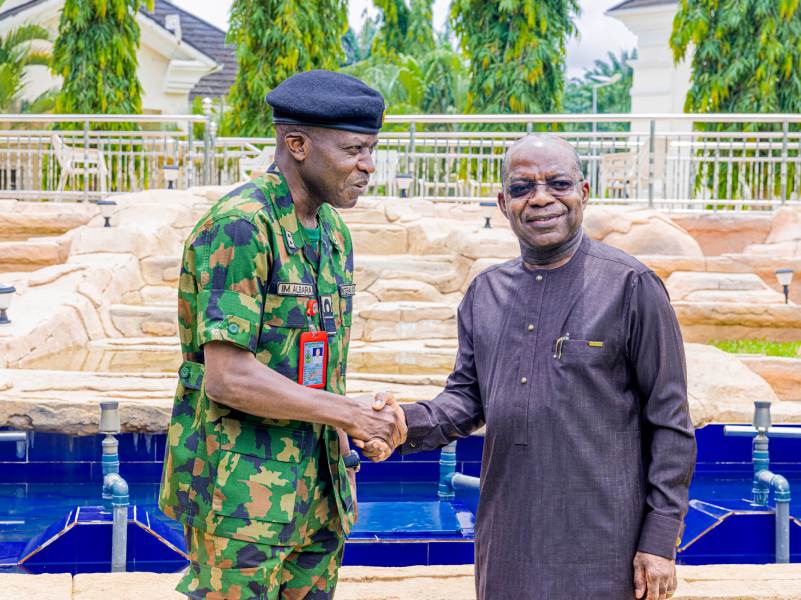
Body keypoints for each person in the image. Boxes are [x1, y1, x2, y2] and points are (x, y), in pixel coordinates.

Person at [367, 134, 696, 599]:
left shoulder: (630, 286)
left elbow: (671, 423)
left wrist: (660, 540)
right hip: (508, 545)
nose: (541, 198)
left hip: (606, 548)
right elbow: (466, 400)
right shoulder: (486, 293)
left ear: (583, 192)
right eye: (523, 188)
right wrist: (399, 423)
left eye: (557, 183)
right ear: (503, 203)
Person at [159, 70, 406, 600]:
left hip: (319, 491)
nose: (368, 166)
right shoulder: (243, 226)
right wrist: (350, 413)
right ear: (296, 144)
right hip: (240, 498)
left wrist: (347, 443)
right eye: (354, 150)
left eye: (371, 150)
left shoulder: (331, 232)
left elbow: (317, 363)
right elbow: (228, 378)